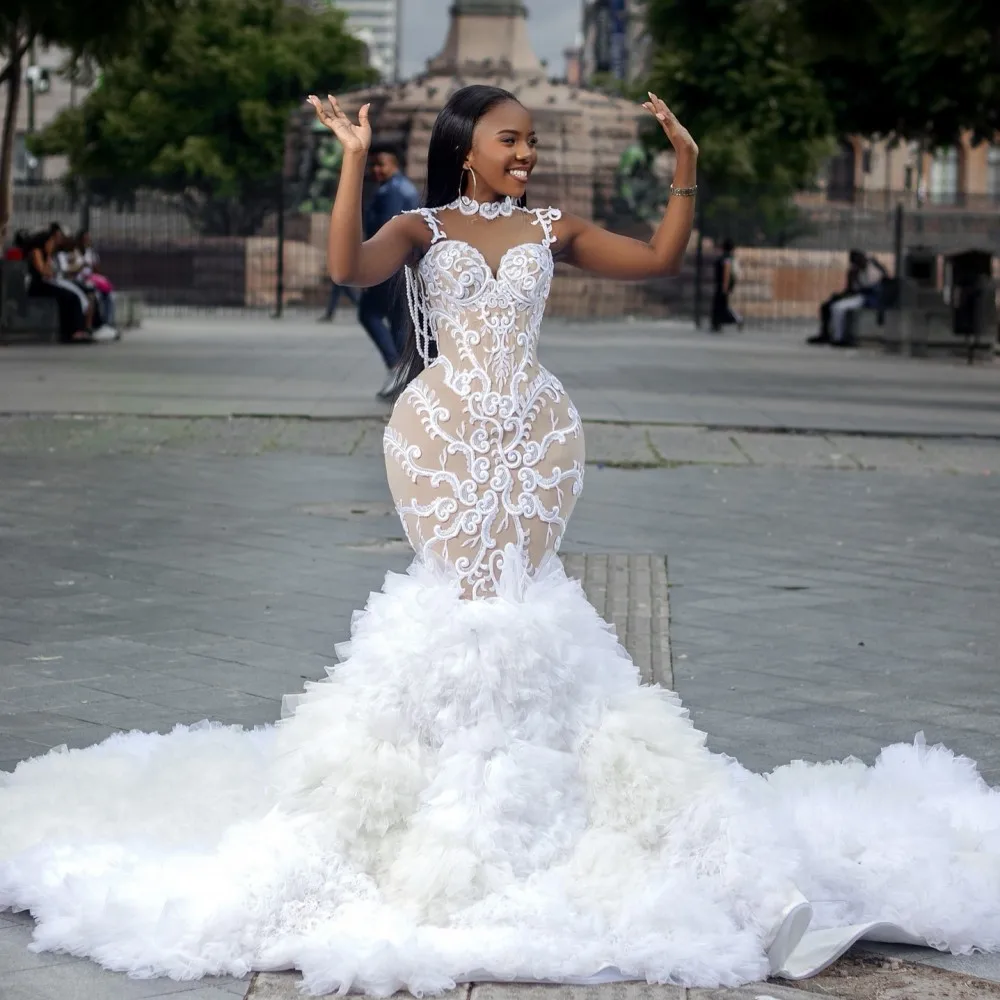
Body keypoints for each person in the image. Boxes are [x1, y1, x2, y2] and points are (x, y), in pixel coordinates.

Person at [1, 86, 998, 998]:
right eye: (509, 139)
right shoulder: (420, 224)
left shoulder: (548, 227)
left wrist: (684, 163)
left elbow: (657, 259)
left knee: (521, 602)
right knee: (461, 603)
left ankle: (550, 800)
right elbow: (347, 268)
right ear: (465, 151)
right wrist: (350, 156)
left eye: (532, 139)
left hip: (535, 435)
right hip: (436, 437)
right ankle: (438, 807)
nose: (527, 152)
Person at [355, 140, 419, 398]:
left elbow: (386, 233)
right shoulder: (405, 188)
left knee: (368, 313)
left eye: (381, 164)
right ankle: (404, 376)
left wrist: (371, 268)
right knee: (396, 322)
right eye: (374, 165)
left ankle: (397, 366)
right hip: (403, 266)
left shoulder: (391, 192)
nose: (376, 170)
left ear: (395, 164)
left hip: (390, 266)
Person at [808, 249, 887, 347]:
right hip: (859, 295)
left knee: (838, 308)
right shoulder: (856, 270)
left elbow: (869, 287)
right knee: (829, 306)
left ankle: (839, 337)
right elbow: (851, 288)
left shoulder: (873, 269)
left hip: (869, 297)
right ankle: (828, 334)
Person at [24, 228, 92, 342]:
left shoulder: (46, 254)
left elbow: (51, 272)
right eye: (50, 242)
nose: (52, 244)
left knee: (71, 296)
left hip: (46, 283)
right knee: (70, 297)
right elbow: (43, 271)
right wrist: (49, 255)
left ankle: (72, 331)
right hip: (37, 286)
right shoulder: (37, 252)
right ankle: (74, 331)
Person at [710, 236, 744, 332]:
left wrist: (725, 287)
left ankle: (736, 319)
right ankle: (716, 323)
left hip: (722, 285)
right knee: (718, 305)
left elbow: (726, 273)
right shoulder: (726, 257)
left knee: (722, 306)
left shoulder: (727, 258)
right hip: (721, 284)